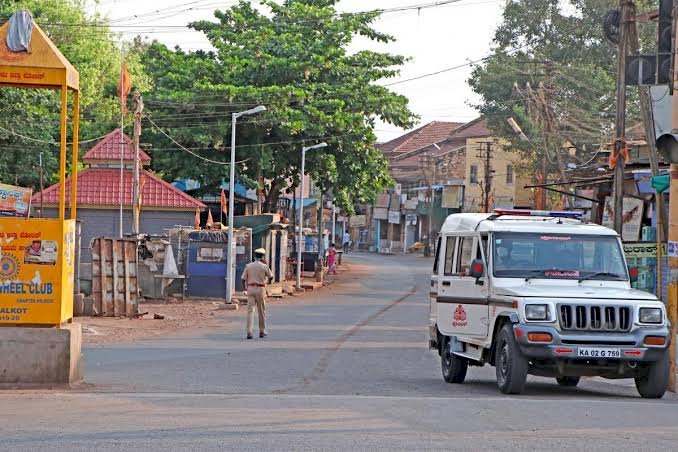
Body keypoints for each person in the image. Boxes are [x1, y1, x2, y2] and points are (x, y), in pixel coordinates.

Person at [241, 248, 273, 339]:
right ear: (262, 256)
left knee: (250, 311)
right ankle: (262, 331)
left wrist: (245, 289)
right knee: (261, 311)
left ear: (254, 256)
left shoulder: (248, 266)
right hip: (260, 288)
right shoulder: (264, 266)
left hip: (250, 288)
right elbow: (271, 276)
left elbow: (243, 279)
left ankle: (249, 332)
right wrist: (266, 281)